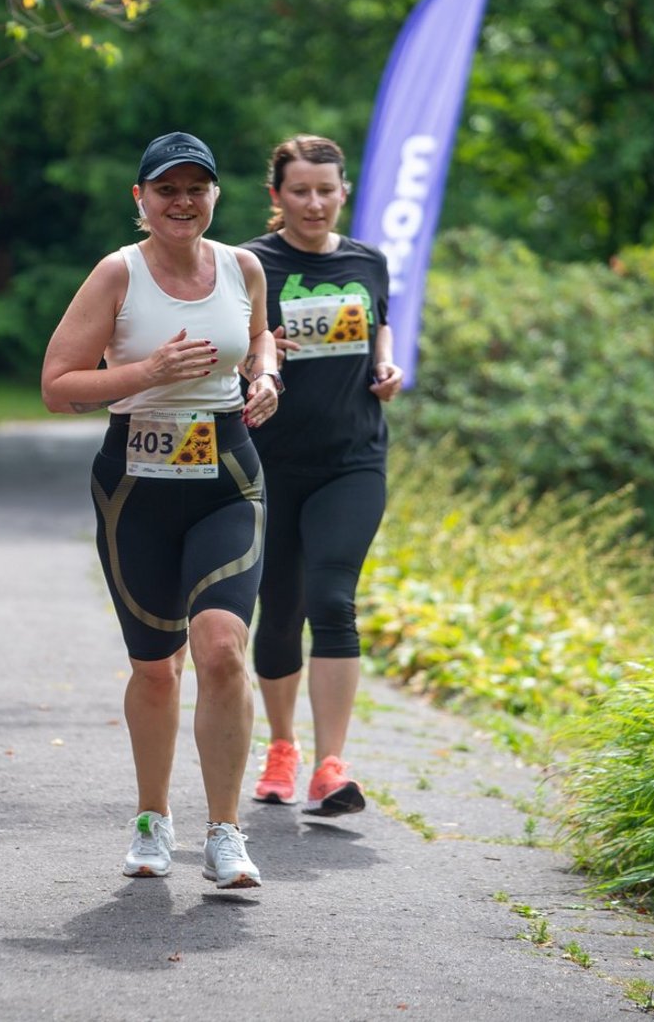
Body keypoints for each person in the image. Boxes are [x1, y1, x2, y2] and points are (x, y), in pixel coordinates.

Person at [41, 131, 280, 889]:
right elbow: (56, 384)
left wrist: (267, 374)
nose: (183, 202)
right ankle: (152, 817)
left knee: (221, 650)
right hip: (136, 489)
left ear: (216, 196)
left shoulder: (244, 266)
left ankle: (225, 832)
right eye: (166, 189)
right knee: (155, 669)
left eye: (196, 188)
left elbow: (259, 337)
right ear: (139, 199)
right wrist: (146, 370)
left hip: (227, 477)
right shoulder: (119, 274)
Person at [241, 134, 403, 816]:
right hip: (272, 462)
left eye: (326, 190)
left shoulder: (369, 260)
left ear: (344, 193)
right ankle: (283, 746)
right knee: (278, 615)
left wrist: (387, 365)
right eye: (299, 191)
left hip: (352, 457)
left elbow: (381, 324)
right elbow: (244, 341)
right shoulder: (250, 262)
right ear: (277, 197)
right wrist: (262, 362)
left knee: (332, 600)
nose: (314, 203)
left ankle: (331, 767)